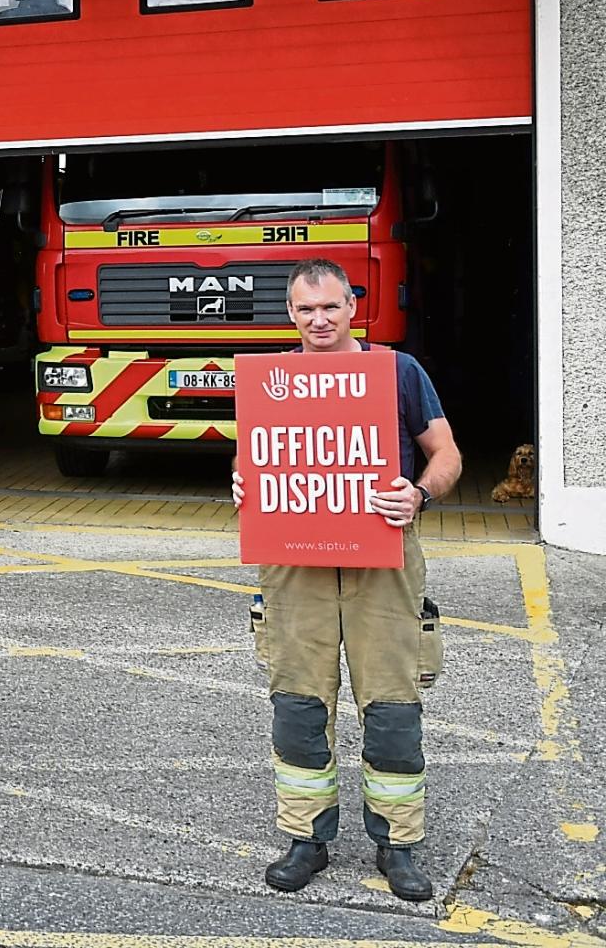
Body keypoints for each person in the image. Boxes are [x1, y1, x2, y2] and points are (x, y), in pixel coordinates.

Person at [234, 257, 461, 902]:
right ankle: (307, 838)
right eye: (305, 309)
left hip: (383, 559)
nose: (318, 320)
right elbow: (253, 461)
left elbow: (447, 455)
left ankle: (399, 844)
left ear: (352, 306)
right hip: (294, 563)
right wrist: (242, 480)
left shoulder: (398, 372)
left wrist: (417, 493)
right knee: (299, 707)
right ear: (290, 313)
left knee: (392, 707)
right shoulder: (273, 380)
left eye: (329, 306)